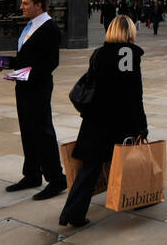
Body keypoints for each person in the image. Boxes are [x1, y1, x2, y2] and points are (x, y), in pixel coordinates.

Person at [59, 15, 148, 230]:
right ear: (129, 33)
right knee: (132, 161)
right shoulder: (131, 54)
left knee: (89, 168)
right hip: (120, 120)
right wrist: (141, 126)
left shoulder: (99, 54)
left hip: (96, 119)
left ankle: (73, 213)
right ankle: (139, 196)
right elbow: (134, 94)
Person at [3, 0, 67, 199]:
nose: (21, 7)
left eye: (26, 3)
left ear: (38, 5)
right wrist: (7, 63)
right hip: (24, 86)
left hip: (37, 87)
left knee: (42, 132)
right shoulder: (30, 26)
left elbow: (51, 63)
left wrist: (23, 75)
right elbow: (26, 58)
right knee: (27, 130)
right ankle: (32, 174)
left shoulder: (49, 28)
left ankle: (56, 179)